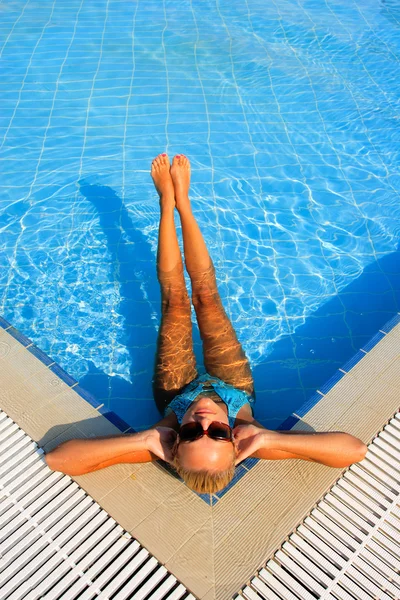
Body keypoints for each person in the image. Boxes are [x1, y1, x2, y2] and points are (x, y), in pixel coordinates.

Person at [45, 154, 367, 493]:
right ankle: (184, 203)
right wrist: (266, 435)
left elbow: (59, 460)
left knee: (175, 302)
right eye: (217, 433)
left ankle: (166, 204)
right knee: (207, 298)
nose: (202, 420)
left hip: (176, 390)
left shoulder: (161, 439)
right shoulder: (256, 438)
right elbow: (354, 450)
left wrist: (144, 439)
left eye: (189, 434)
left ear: (174, 444)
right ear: (235, 441)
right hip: (234, 386)